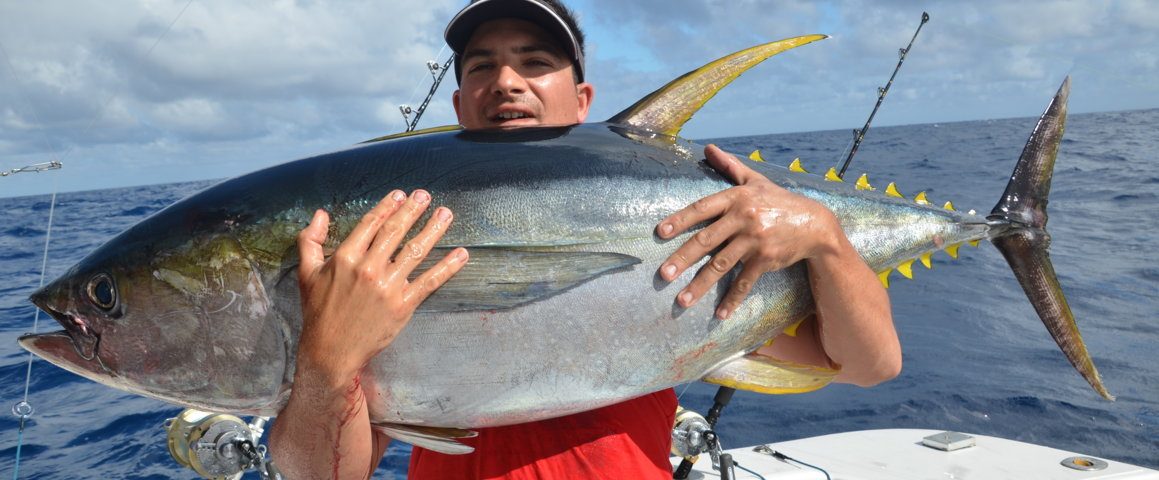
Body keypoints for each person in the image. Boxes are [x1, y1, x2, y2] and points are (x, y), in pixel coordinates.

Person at [269, 0, 901, 478]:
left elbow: (869, 364)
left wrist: (825, 236)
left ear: (582, 99)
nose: (508, 81)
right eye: (482, 65)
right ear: (460, 105)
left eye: (537, 63)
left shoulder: (688, 219)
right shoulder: (389, 234)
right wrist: (327, 362)